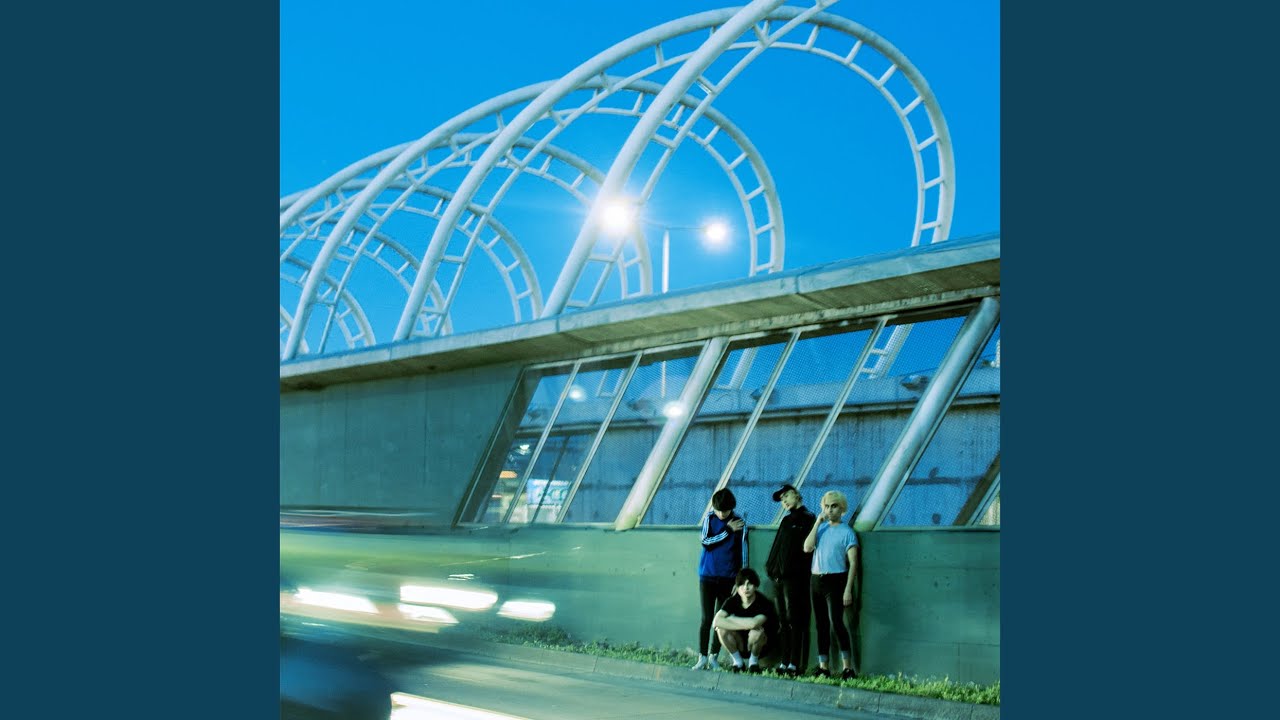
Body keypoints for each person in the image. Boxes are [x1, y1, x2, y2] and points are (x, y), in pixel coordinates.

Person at [803, 490, 860, 679]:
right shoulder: (820, 529)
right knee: (821, 624)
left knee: (837, 622)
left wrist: (848, 589)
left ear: (841, 508)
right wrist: (817, 523)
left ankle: (847, 667)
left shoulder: (847, 532)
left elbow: (853, 563)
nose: (830, 510)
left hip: (836, 580)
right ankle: (823, 667)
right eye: (827, 506)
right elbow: (807, 547)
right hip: (816, 580)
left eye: (834, 506)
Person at [691, 487, 747, 671]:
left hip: (728, 579)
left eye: (726, 510)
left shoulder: (739, 522)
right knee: (706, 618)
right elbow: (706, 542)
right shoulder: (709, 518)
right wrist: (727, 530)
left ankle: (713, 657)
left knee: (720, 619)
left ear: (732, 508)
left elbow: (743, 552)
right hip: (707, 577)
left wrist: (739, 580)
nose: (722, 514)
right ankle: (702, 658)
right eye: (718, 510)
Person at [764, 483, 817, 677]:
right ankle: (784, 661)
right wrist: (772, 570)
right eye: (781, 499)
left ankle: (794, 663)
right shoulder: (787, 520)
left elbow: (806, 551)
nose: (784, 501)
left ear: (796, 494)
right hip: (779, 578)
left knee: (795, 620)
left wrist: (792, 572)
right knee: (784, 620)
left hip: (795, 579)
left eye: (786, 496)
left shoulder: (808, 518)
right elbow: (778, 547)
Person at [712, 567, 778, 673]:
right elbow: (716, 622)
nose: (746, 588)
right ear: (737, 588)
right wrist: (745, 624)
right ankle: (738, 662)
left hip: (760, 646)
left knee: (757, 632)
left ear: (755, 586)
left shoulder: (764, 603)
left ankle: (753, 663)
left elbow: (754, 623)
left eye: (749, 584)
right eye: (742, 584)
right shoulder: (732, 601)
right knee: (721, 630)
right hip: (739, 644)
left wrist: (731, 619)